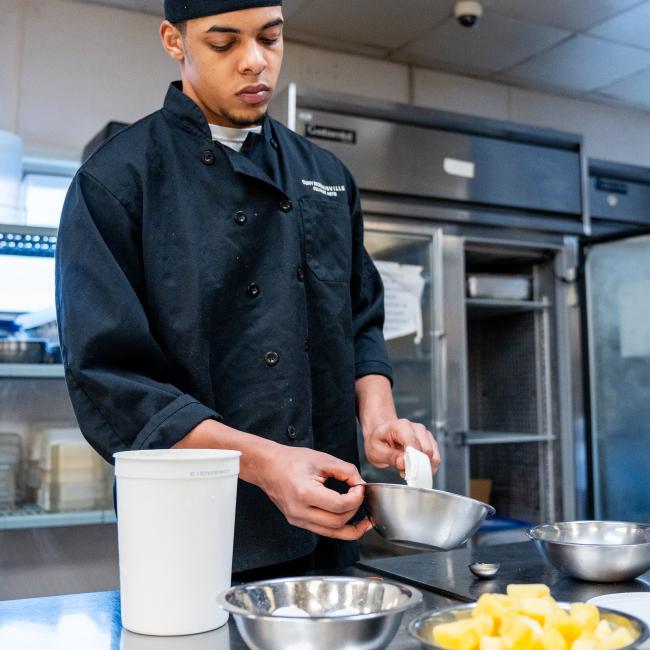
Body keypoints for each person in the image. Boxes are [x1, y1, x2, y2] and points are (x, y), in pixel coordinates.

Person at [55, 0, 440, 579]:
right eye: (224, 42)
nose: (254, 62)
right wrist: (262, 464)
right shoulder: (117, 182)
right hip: (195, 532)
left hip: (332, 521)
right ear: (173, 40)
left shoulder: (326, 175)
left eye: (270, 38)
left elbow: (359, 319)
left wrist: (378, 417)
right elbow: (112, 381)